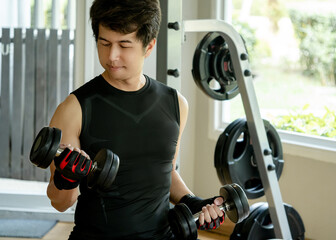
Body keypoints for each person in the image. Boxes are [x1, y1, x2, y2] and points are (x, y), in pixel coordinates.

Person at [45, 0, 225, 239]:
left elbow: (164, 171)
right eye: (104, 43)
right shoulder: (74, 108)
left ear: (148, 46)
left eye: (124, 45)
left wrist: (193, 202)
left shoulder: (176, 104)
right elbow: (60, 202)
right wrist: (66, 178)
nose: (112, 56)